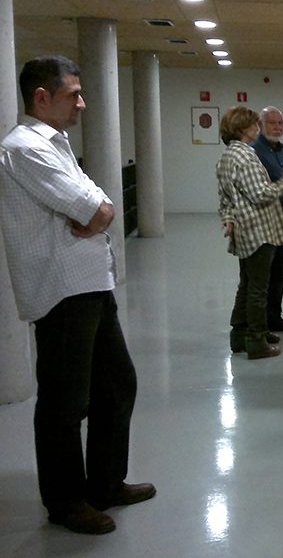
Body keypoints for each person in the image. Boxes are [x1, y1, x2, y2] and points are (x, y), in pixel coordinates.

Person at [0, 55, 155, 535]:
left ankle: (104, 483)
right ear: (41, 97)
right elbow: (95, 209)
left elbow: (101, 203)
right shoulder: (25, 148)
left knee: (117, 384)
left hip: (91, 284)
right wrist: (96, 211)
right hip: (61, 291)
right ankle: (66, 503)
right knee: (65, 403)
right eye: (73, 94)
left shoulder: (57, 144)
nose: (83, 104)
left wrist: (96, 210)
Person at [217, 106, 283, 360]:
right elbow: (260, 194)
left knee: (247, 284)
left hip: (244, 229)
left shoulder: (227, 157)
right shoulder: (246, 157)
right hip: (259, 229)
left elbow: (225, 197)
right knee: (258, 288)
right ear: (242, 129)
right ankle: (257, 340)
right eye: (254, 124)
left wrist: (228, 218)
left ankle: (239, 335)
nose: (257, 128)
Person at [250, 106, 283, 332]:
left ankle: (274, 317)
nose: (278, 128)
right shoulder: (254, 151)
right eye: (272, 123)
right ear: (260, 125)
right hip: (266, 222)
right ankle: (259, 325)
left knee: (280, 273)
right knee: (264, 277)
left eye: (280, 123)